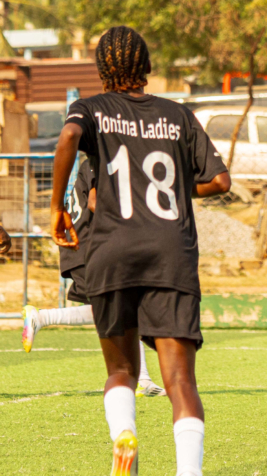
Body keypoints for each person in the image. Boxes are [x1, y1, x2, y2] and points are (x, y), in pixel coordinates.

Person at [50, 26, 231, 476]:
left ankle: (124, 433)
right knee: (180, 381)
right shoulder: (179, 114)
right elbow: (221, 181)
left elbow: (69, 139)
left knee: (121, 370)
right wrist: (173, 188)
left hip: (111, 250)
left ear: (102, 69)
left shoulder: (89, 109)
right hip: (171, 252)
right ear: (146, 67)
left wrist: (56, 208)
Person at [23, 157, 165, 397]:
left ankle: (41, 317)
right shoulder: (104, 158)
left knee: (118, 309)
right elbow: (94, 203)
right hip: (89, 249)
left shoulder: (99, 159)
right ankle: (142, 381)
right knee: (123, 308)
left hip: (86, 249)